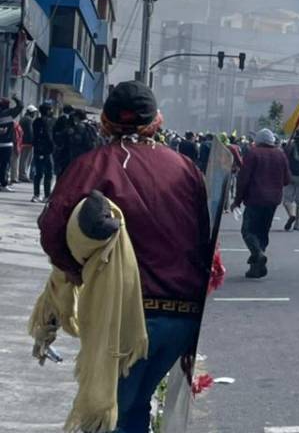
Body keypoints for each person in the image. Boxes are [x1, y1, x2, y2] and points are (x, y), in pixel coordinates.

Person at [37, 81, 211, 432]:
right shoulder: (186, 169)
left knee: (109, 416)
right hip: (183, 319)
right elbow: (204, 238)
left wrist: (77, 270)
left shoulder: (93, 165)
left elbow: (52, 230)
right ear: (156, 122)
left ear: (104, 122)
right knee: (132, 409)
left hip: (123, 317)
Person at [232, 129, 290, 278]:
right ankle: (256, 266)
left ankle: (257, 254)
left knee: (248, 231)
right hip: (273, 200)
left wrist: (237, 200)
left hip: (255, 199)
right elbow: (287, 180)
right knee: (262, 233)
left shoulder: (253, 153)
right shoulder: (280, 154)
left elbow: (243, 179)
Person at [30, 103, 56, 203]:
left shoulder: (36, 121)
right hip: (47, 151)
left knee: (38, 174)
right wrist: (53, 147)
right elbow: (50, 136)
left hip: (37, 150)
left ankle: (36, 195)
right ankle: (46, 195)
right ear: (48, 111)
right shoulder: (50, 121)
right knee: (48, 174)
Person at [0, 95, 24, 191]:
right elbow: (21, 106)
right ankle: (3, 184)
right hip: (6, 144)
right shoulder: (9, 113)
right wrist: (16, 98)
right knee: (5, 165)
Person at [17, 104, 36, 182]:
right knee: (26, 159)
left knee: (23, 159)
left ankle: (22, 174)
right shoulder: (29, 120)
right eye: (34, 112)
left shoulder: (23, 119)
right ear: (31, 112)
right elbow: (30, 132)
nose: (34, 114)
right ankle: (23, 175)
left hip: (23, 141)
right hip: (28, 142)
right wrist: (33, 141)